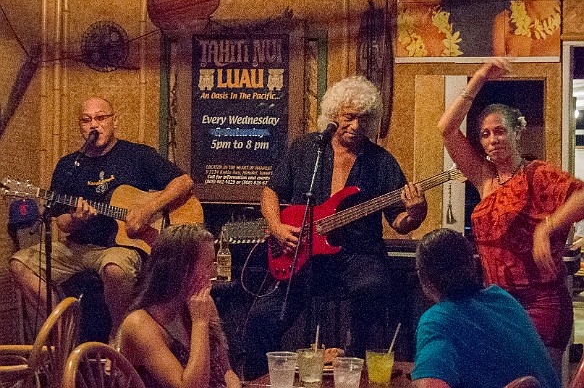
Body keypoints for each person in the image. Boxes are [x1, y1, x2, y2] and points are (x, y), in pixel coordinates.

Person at [242, 75, 428, 380]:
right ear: (333, 115)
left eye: (364, 119)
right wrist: (276, 227)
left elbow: (399, 222)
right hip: (302, 253)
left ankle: (352, 370)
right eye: (349, 117)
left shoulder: (381, 162)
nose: (356, 125)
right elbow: (271, 191)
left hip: (359, 255)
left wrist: (415, 213)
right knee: (262, 317)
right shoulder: (306, 149)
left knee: (371, 288)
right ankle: (259, 379)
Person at [437, 58, 584, 376]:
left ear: (518, 131)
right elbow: (446, 128)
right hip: (497, 303)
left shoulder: (537, 174)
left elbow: (582, 196)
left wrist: (547, 227)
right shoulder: (483, 179)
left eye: (500, 131)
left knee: (536, 381)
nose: (492, 140)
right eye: (485, 134)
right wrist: (478, 79)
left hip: (541, 303)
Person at [10, 97, 194, 339]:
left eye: (100, 118)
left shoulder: (137, 155)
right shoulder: (68, 166)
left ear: (114, 120)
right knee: (19, 263)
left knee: (115, 268)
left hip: (119, 248)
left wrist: (148, 209)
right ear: (81, 127)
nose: (94, 125)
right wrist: (76, 220)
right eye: (86, 120)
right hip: (77, 249)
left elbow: (184, 182)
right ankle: (66, 325)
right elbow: (62, 223)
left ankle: (119, 332)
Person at [412, 228, 560, 388]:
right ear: (473, 265)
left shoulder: (437, 321)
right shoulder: (501, 298)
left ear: (422, 277)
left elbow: (429, 385)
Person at [118, 224, 241, 388]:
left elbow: (227, 372)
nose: (214, 272)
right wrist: (200, 323)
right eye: (209, 264)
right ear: (183, 270)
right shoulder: (139, 324)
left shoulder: (203, 303)